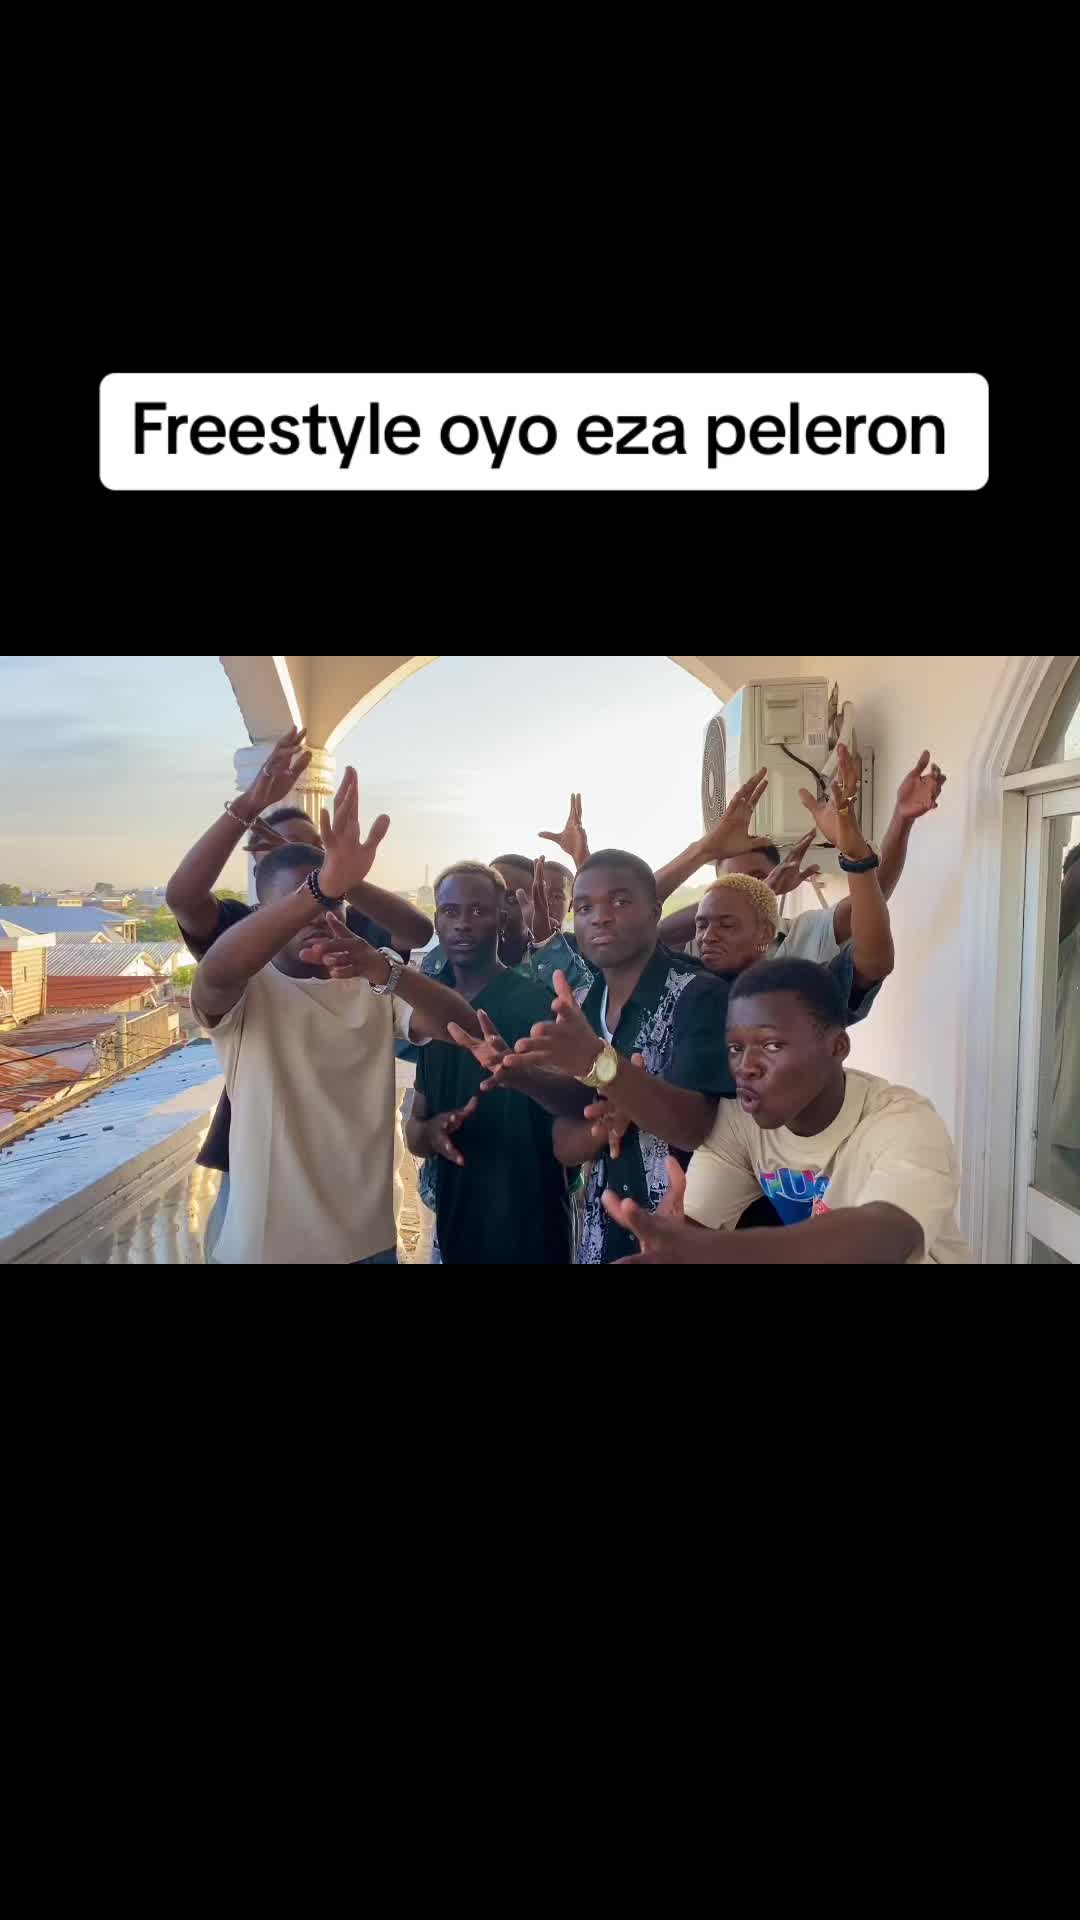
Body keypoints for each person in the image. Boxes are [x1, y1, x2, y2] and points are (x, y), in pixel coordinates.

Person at [500, 762, 892, 1262]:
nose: (708, 936)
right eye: (702, 925)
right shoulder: (627, 988)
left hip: (742, 1211)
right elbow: (635, 930)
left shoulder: (773, 992)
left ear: (766, 933)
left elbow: (871, 959)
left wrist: (858, 857)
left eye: (726, 925)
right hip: (623, 1227)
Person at [189, 768, 486, 1266]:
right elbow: (214, 971)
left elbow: (466, 1028)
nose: (318, 917)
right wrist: (321, 885)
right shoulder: (247, 989)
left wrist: (385, 970)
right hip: (266, 1251)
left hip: (368, 1244)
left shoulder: (373, 977)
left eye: (332, 903)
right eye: (298, 905)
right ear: (265, 915)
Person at [165, 725, 433, 1258]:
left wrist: (337, 881)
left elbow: (417, 933)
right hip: (269, 1190)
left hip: (360, 1212)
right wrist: (250, 805)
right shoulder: (242, 937)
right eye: (283, 850)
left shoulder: (356, 943)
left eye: (314, 852)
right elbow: (186, 900)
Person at [599, 957, 972, 1264]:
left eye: (772, 1045)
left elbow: (887, 1235)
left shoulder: (903, 1123)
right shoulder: (740, 1124)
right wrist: (670, 1243)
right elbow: (695, 1232)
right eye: (735, 1048)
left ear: (837, 1048)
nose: (746, 1067)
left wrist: (717, 1251)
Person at [403, 862, 587, 1265]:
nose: (463, 924)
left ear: (503, 919)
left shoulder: (538, 1004)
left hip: (532, 1227)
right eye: (450, 911)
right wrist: (432, 1132)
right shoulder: (431, 1012)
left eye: (478, 910)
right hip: (457, 1226)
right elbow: (415, 1129)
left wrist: (524, 1078)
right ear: (437, 922)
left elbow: (582, 1104)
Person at [657, 746, 947, 963]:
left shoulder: (802, 935)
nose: (749, 889)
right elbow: (645, 929)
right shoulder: (695, 943)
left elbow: (874, 893)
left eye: (756, 879)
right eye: (732, 883)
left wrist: (902, 818)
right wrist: (702, 851)